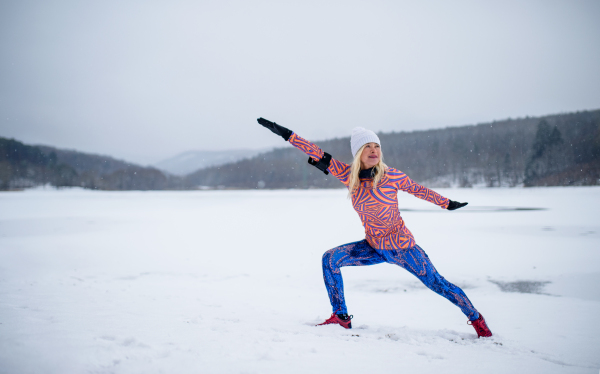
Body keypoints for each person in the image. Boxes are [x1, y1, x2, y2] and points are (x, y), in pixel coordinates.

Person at [256, 118, 492, 338]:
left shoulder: (392, 177)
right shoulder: (349, 176)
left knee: (439, 284)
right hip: (373, 246)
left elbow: (420, 190)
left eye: (376, 146)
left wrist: (447, 203)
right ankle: (341, 317)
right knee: (330, 259)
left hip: (404, 248)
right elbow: (314, 152)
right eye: (367, 146)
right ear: (359, 153)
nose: (373, 150)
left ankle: (478, 321)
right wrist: (286, 134)